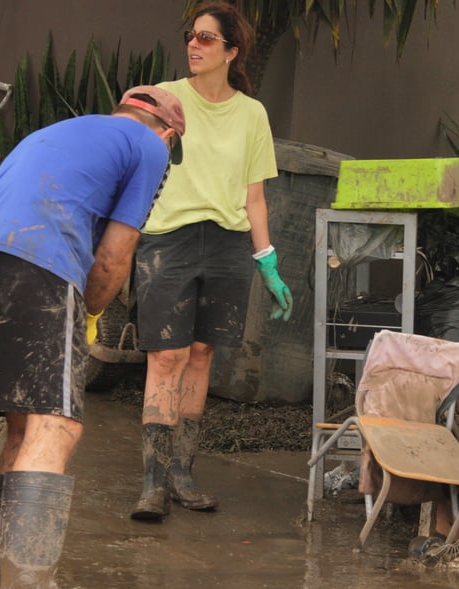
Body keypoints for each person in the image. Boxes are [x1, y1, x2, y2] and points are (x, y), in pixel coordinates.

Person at [0, 85, 185, 589]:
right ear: (168, 132)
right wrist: (89, 310)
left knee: (24, 425)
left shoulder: (61, 132)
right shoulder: (151, 147)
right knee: (57, 426)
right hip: (42, 260)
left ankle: (20, 582)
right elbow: (115, 253)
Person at [130, 2, 292, 521]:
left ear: (231, 51)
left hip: (227, 245)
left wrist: (266, 261)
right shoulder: (165, 99)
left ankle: (183, 474)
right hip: (169, 241)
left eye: (206, 38)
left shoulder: (252, 114)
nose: (194, 45)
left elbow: (255, 196)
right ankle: (152, 483)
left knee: (201, 355)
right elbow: (131, 162)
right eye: (190, 36)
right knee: (167, 357)